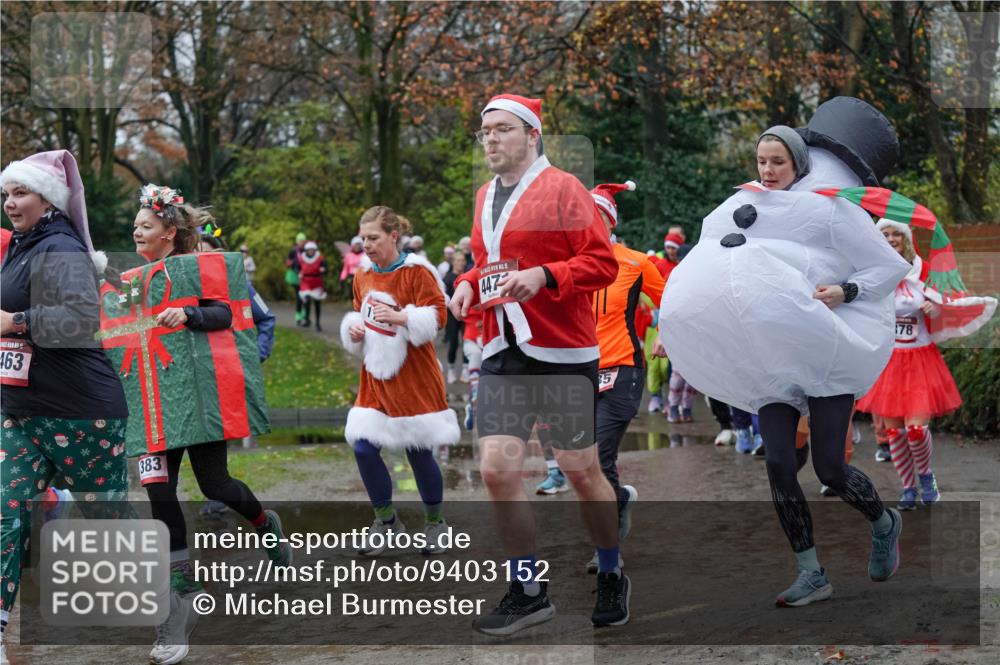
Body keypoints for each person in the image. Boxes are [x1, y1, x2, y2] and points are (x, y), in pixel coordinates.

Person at [660, 98, 912, 608]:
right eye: (762, 161)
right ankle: (811, 572)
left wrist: (845, 290)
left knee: (830, 469)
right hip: (768, 360)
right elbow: (709, 262)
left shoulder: (831, 210)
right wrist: (683, 321)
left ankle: (884, 522)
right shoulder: (740, 205)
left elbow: (889, 267)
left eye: (778, 161)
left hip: (826, 352)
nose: (768, 170)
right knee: (778, 464)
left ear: (799, 163)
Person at [449, 93, 626, 633]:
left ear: (532, 135)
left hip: (562, 351)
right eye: (485, 131)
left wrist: (546, 276)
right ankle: (527, 590)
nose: (491, 139)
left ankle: (612, 571)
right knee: (496, 471)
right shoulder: (484, 195)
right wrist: (466, 283)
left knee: (580, 470)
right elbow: (488, 262)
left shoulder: (565, 188)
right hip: (502, 349)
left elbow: (601, 264)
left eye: (502, 129)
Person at [131, 184, 290, 664]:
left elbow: (227, 313)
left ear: (168, 232)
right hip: (152, 402)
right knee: (158, 491)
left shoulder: (199, 267)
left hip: (198, 399)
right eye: (135, 225)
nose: (136, 231)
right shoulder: (131, 280)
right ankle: (181, 589)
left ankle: (264, 523)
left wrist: (189, 312)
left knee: (215, 484)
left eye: (145, 225)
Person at [0, 151, 130, 663]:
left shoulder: (59, 246)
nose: (10, 203)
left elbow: (80, 319)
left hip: (80, 413)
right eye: (6, 194)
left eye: (21, 193)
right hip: (22, 410)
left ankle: (172, 606)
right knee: (6, 517)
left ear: (48, 199)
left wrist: (13, 323)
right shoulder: (23, 245)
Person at [339, 205, 459, 556]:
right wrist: (355, 330)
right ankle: (387, 523)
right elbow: (360, 312)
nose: (366, 245)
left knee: (418, 451)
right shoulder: (362, 274)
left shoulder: (417, 271)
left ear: (394, 236)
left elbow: (439, 316)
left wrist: (403, 317)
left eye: (373, 238)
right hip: (375, 376)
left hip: (415, 376)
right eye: (363, 239)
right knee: (363, 446)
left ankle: (436, 524)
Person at [857, 218, 996, 509]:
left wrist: (935, 309)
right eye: (885, 234)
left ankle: (926, 477)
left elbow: (948, 301)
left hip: (920, 361)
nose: (891, 239)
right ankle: (908, 488)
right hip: (889, 363)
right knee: (895, 433)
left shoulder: (923, 272)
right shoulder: (872, 273)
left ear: (907, 239)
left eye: (897, 234)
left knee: (916, 430)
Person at [584, 178, 666, 572]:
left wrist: (665, 332)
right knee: (584, 464)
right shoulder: (572, 266)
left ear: (609, 221)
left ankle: (606, 551)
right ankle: (618, 502)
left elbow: (671, 298)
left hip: (623, 369)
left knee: (599, 458)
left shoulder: (635, 262)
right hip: (580, 372)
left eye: (594, 216)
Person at [442, 251, 468, 384]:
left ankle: (465, 370)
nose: (460, 263)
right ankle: (451, 369)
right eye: (458, 260)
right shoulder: (447, 278)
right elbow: (443, 298)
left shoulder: (467, 276)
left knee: (467, 342)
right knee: (453, 343)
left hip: (466, 314)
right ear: (453, 262)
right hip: (452, 316)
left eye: (462, 260)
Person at [298, 240, 328, 331]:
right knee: (307, 299)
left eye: (312, 250)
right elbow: (296, 267)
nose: (311, 251)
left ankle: (318, 323)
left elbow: (326, 267)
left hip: (316, 282)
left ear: (315, 250)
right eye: (309, 250)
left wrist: (323, 269)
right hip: (305, 281)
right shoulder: (301, 258)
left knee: (317, 302)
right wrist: (299, 272)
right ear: (306, 251)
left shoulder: (320, 258)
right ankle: (307, 319)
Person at [286, 232, 306, 325]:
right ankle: (298, 315)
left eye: (303, 241)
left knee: (305, 296)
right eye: (300, 241)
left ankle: (304, 314)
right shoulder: (293, 251)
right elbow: (288, 262)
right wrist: (293, 264)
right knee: (299, 296)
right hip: (295, 276)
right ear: (297, 241)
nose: (302, 242)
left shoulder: (307, 250)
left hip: (305, 276)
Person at [340, 235, 365, 299]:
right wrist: (342, 278)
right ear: (352, 245)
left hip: (363, 277)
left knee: (362, 295)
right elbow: (345, 268)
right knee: (353, 295)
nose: (358, 246)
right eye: (356, 244)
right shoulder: (348, 255)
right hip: (352, 277)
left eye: (359, 244)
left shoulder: (365, 254)